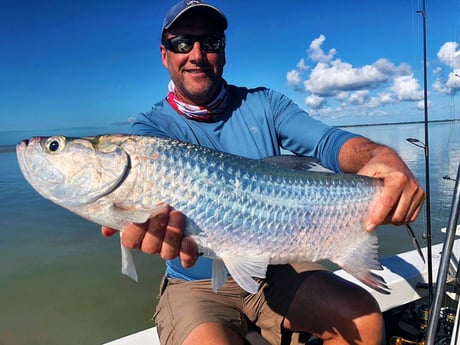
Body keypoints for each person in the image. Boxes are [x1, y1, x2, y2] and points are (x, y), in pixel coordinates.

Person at [102, 1, 425, 344]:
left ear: (223, 51)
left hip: (277, 269)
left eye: (209, 42)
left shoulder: (265, 104)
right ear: (165, 54)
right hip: (193, 281)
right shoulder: (148, 134)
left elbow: (328, 143)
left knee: (362, 318)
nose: (196, 54)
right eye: (182, 43)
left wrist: (381, 155)